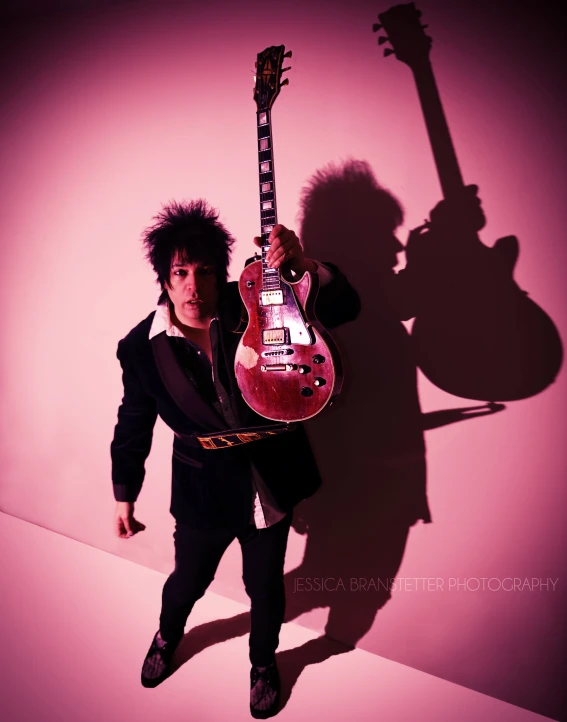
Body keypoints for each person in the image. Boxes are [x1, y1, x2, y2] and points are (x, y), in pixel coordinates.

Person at [110, 199, 360, 718]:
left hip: (270, 480)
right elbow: (133, 423)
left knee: (264, 585)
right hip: (202, 488)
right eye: (181, 272)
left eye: (204, 271)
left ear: (222, 274)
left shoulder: (256, 302)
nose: (194, 286)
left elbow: (345, 309)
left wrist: (307, 268)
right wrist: (123, 494)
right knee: (188, 580)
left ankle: (263, 664)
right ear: (164, 278)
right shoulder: (139, 348)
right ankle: (167, 635)